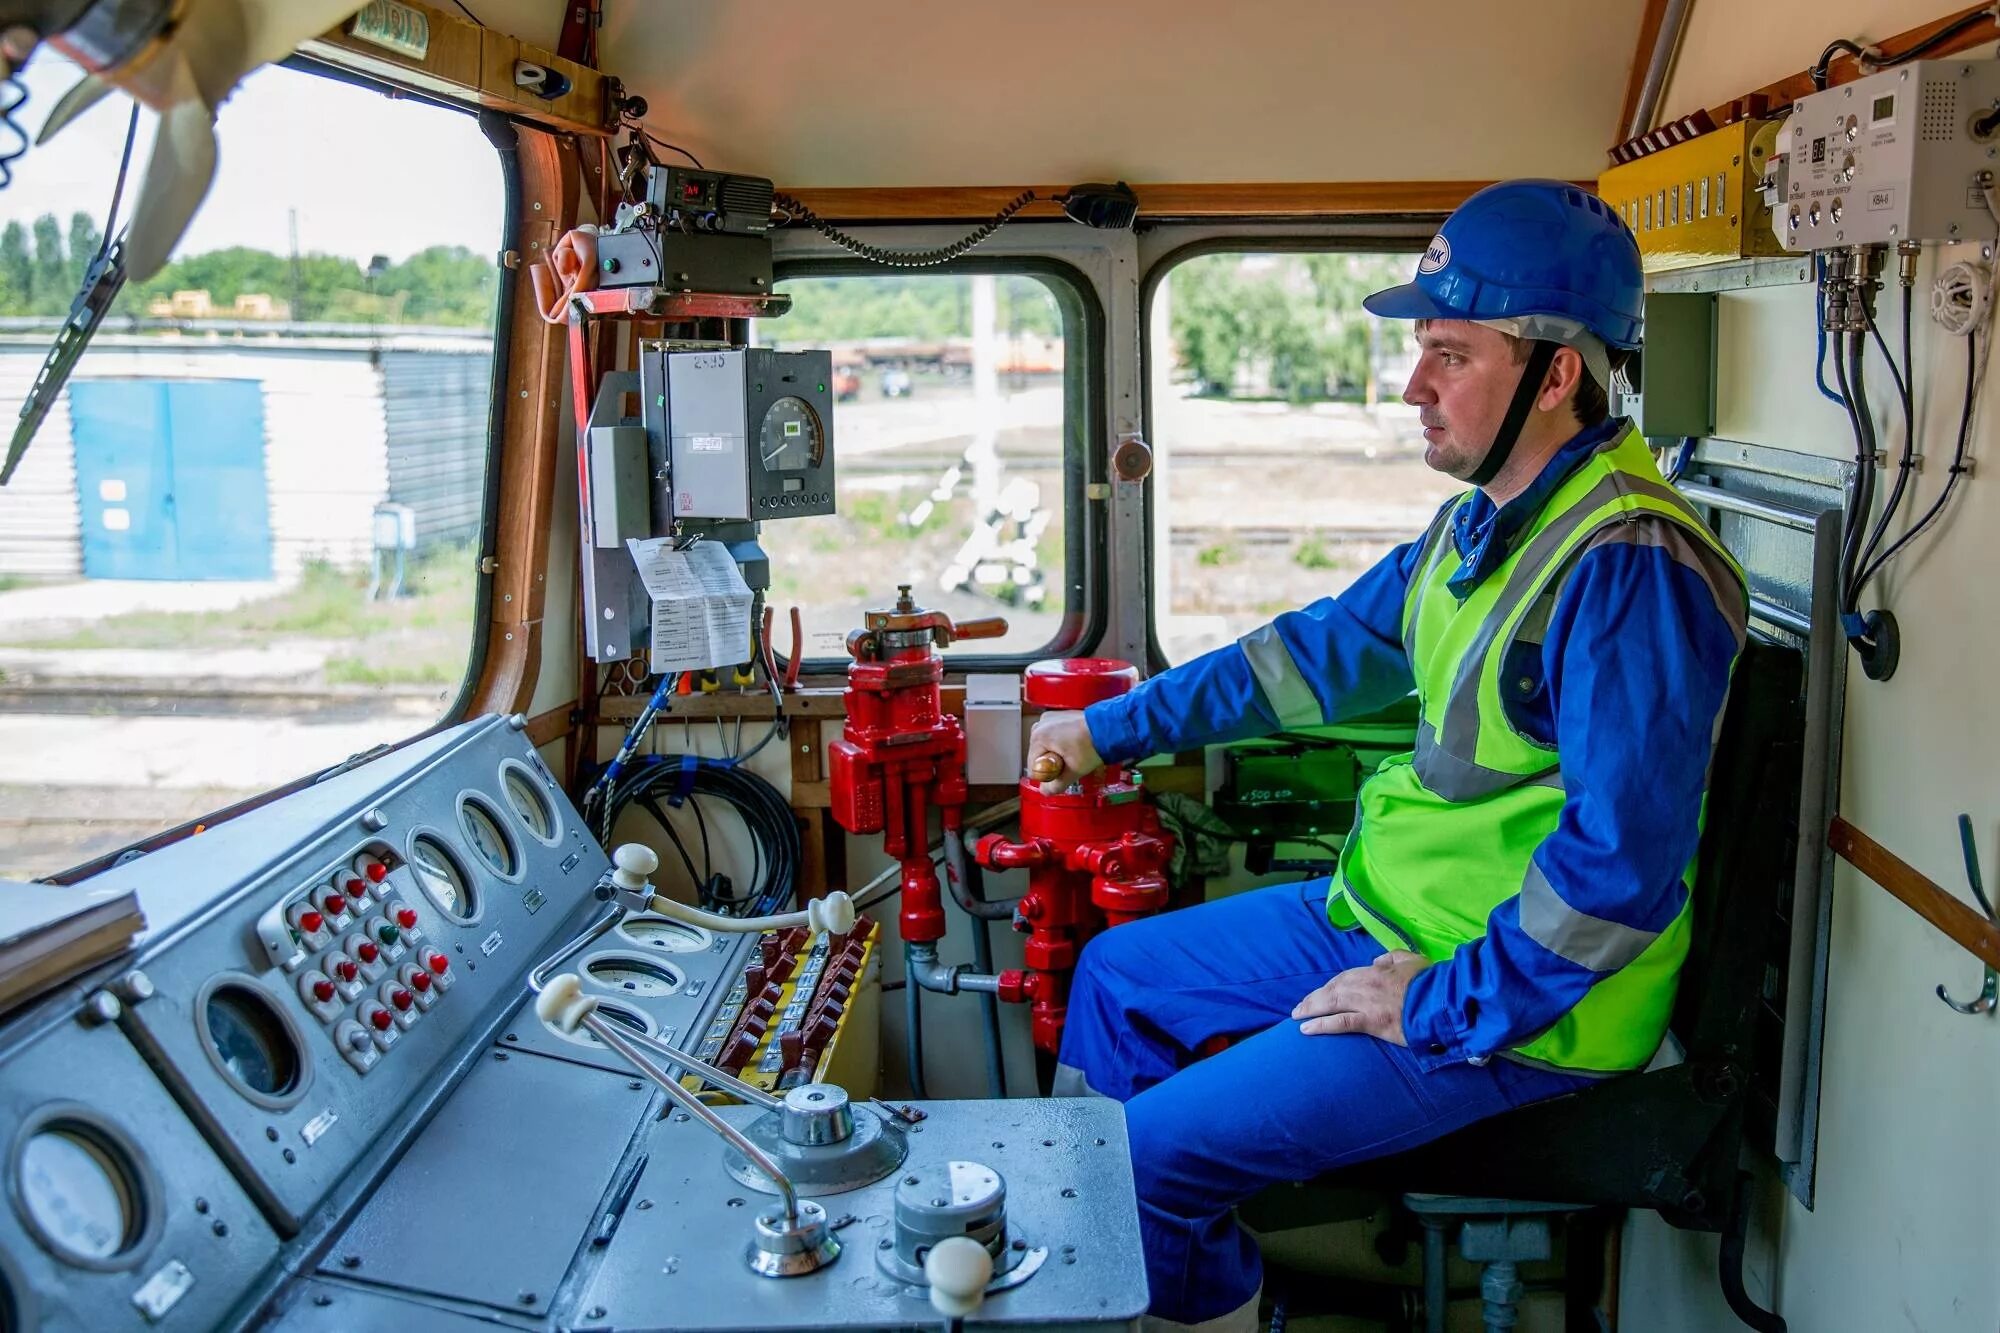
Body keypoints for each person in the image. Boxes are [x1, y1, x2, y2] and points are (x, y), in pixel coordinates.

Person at [1028, 179, 1749, 1333]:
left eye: (1450, 354)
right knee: (1115, 983)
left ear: (1555, 373)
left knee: (1150, 1159)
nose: (1412, 385)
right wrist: (1110, 729)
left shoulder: (1628, 566)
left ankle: (1175, 1288)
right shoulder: (1478, 523)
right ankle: (1091, 1273)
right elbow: (1311, 656)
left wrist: (1441, 1002)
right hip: (1387, 913)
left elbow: (1616, 875)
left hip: (1518, 998)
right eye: (1420, 349)